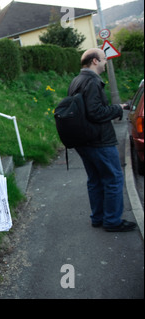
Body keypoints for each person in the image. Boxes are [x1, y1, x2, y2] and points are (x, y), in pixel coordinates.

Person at [68, 48, 137, 232]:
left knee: (95, 180)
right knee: (113, 178)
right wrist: (118, 108)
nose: (106, 62)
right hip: (98, 140)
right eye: (104, 59)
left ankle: (98, 218)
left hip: (83, 140)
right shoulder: (91, 82)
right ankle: (113, 221)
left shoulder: (76, 80)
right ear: (95, 61)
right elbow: (96, 112)